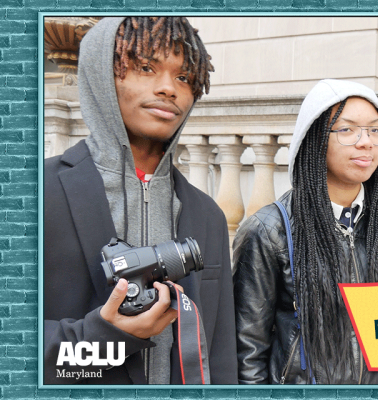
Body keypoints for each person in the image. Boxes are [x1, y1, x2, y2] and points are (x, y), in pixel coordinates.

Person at [43, 17, 236, 384]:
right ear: (102, 74)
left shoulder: (208, 214)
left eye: (184, 77)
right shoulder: (37, 194)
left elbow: (222, 353)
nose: (168, 88)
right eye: (146, 68)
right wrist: (101, 336)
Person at [233, 79, 378, 384]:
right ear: (314, 138)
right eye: (347, 130)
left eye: (374, 130)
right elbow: (247, 352)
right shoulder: (269, 231)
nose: (366, 142)